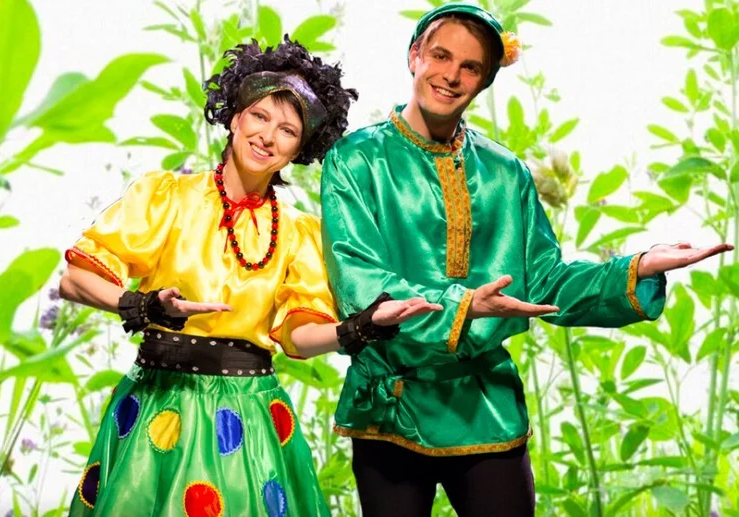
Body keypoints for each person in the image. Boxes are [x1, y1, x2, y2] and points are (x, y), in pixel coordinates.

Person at [319, 3, 734, 516]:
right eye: (441, 56)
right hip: (390, 407)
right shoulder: (354, 160)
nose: (451, 75)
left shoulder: (505, 171)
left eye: (470, 67)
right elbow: (360, 283)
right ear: (414, 56)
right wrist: (465, 306)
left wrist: (636, 267)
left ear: (485, 80)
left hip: (486, 408)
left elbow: (545, 281)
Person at [60, 38, 440, 516]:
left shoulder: (299, 232)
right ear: (235, 118)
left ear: (299, 148)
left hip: (248, 416)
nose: (268, 136)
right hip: (159, 403)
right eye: (259, 116)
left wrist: (362, 327)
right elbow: (75, 279)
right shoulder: (167, 197)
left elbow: (299, 337)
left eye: (288, 130)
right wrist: (145, 305)